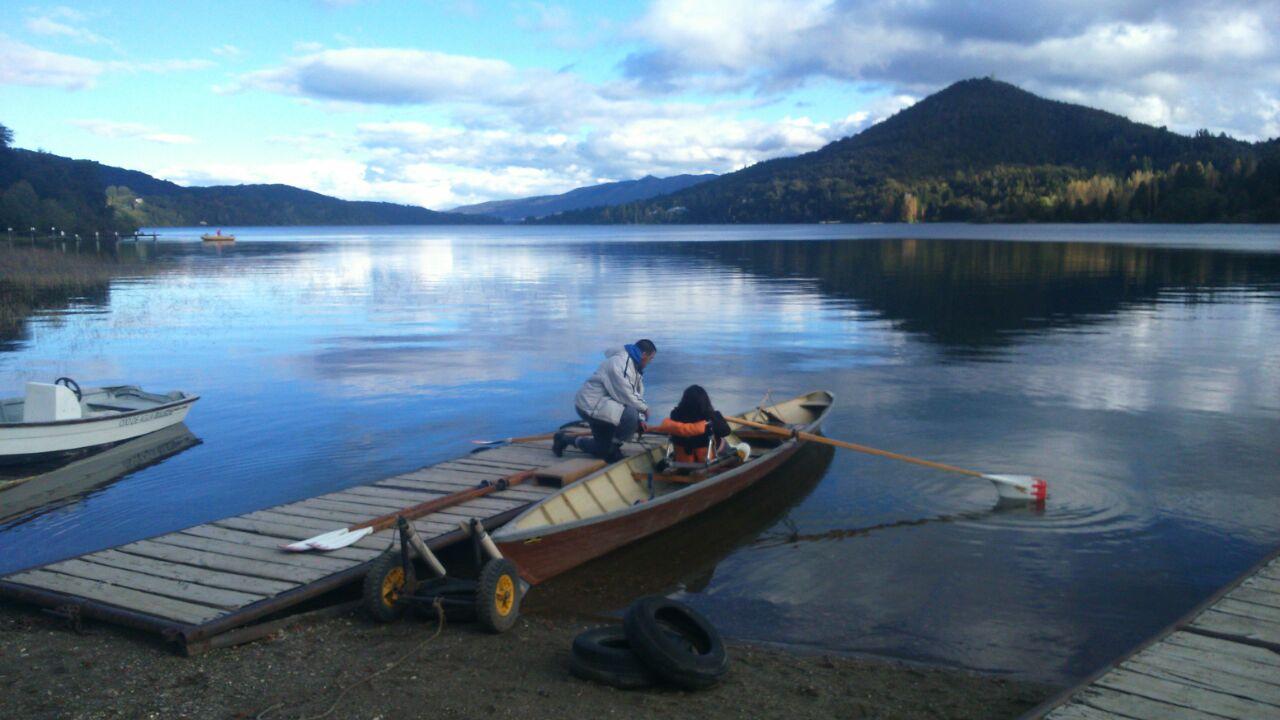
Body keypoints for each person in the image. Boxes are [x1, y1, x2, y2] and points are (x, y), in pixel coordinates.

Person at [554, 339, 657, 462]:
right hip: (590, 406)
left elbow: (635, 393)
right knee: (630, 415)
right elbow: (625, 393)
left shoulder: (633, 367)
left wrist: (641, 418)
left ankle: (564, 439)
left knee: (601, 449)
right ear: (644, 355)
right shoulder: (620, 363)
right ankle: (613, 447)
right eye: (651, 358)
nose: (650, 362)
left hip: (603, 407)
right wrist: (644, 409)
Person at [648, 385, 734, 464]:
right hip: (706, 459)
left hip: (683, 460)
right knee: (722, 439)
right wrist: (718, 419)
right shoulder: (711, 416)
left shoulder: (675, 415)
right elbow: (726, 432)